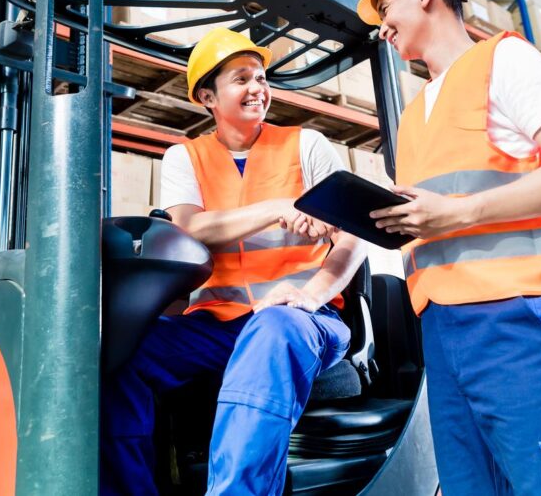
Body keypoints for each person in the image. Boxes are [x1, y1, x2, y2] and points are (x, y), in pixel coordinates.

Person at [361, 0, 541, 494]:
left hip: (520, 325)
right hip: (442, 335)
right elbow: (437, 215)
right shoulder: (415, 114)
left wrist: (460, 213)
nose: (382, 28)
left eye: (386, 8)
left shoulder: (504, 60)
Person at [101, 27, 367, 495]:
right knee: (120, 352)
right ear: (208, 97)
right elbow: (189, 228)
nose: (257, 88)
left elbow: (354, 236)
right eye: (241, 79)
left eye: (261, 77)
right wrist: (277, 207)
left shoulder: (306, 146)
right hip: (216, 326)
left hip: (301, 318)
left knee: (272, 329)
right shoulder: (186, 157)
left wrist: (311, 296)